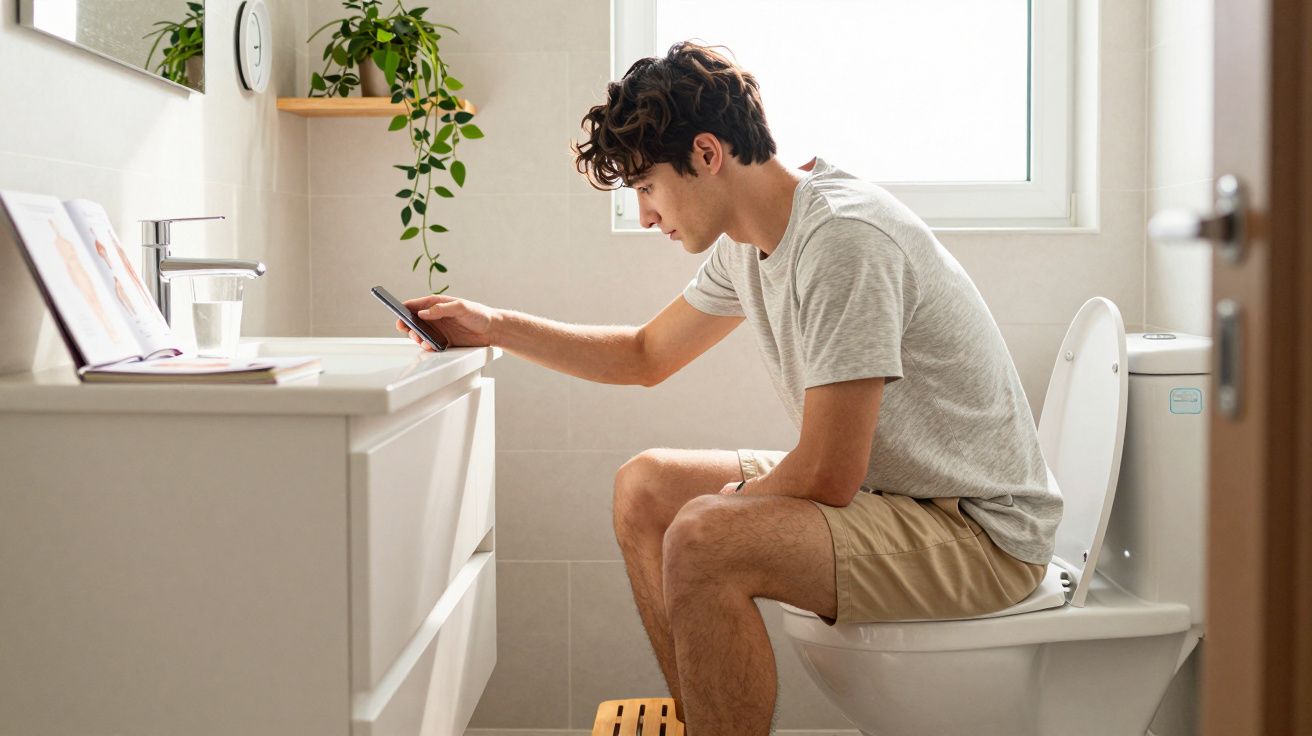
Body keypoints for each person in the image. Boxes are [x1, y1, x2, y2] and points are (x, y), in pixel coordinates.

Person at [395, 41, 1061, 736]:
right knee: (646, 487)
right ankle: (703, 722)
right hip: (897, 497)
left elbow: (831, 473)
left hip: (980, 534)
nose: (648, 215)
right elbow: (644, 354)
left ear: (708, 154)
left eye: (648, 187)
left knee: (704, 536)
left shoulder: (843, 241)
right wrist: (493, 325)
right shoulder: (748, 239)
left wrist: (729, 505)